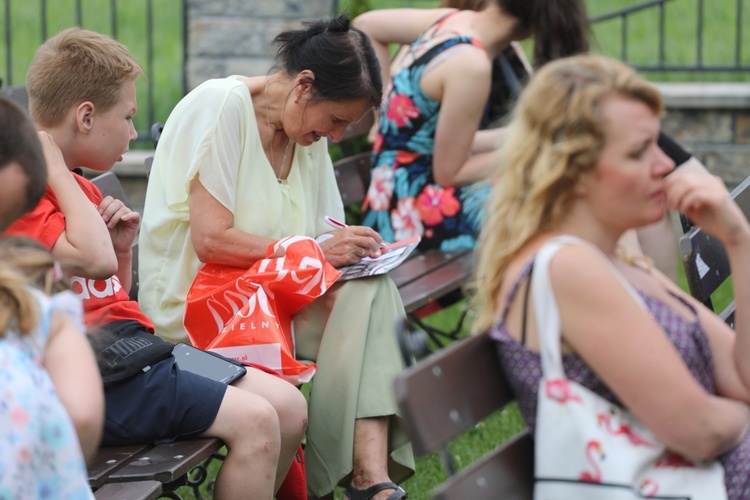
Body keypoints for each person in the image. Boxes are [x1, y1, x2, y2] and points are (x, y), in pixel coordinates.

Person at [4, 27, 307, 499]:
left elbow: (106, 293)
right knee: (257, 425)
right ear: (85, 116)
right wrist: (61, 176)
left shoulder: (76, 191)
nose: (131, 131)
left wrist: (122, 250)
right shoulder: (34, 199)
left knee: (287, 406)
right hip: (103, 376)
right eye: (126, 117)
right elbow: (92, 261)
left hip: (134, 356)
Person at [138, 15, 413, 500]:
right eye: (336, 120)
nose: (337, 135)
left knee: (373, 287)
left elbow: (319, 240)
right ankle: (352, 479)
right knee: (367, 307)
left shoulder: (304, 132)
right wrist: (312, 251)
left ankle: (370, 478)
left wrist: (352, 250)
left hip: (268, 305)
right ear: (304, 86)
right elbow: (212, 240)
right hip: (202, 316)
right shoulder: (221, 106)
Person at [472, 54, 750, 499]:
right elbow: (699, 431)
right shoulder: (567, 267)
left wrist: (739, 240)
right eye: (640, 151)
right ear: (574, 170)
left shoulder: (616, 258)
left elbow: (743, 380)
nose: (665, 165)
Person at [353, 0, 591, 251]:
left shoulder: (451, 20)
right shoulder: (471, 64)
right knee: (569, 194)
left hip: (389, 194)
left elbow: (367, 25)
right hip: (413, 214)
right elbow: (449, 174)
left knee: (576, 186)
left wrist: (385, 112)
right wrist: (531, 151)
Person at [0, 99, 103, 498]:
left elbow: (109, 272)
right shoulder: (44, 314)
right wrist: (59, 172)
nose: (134, 132)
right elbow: (81, 415)